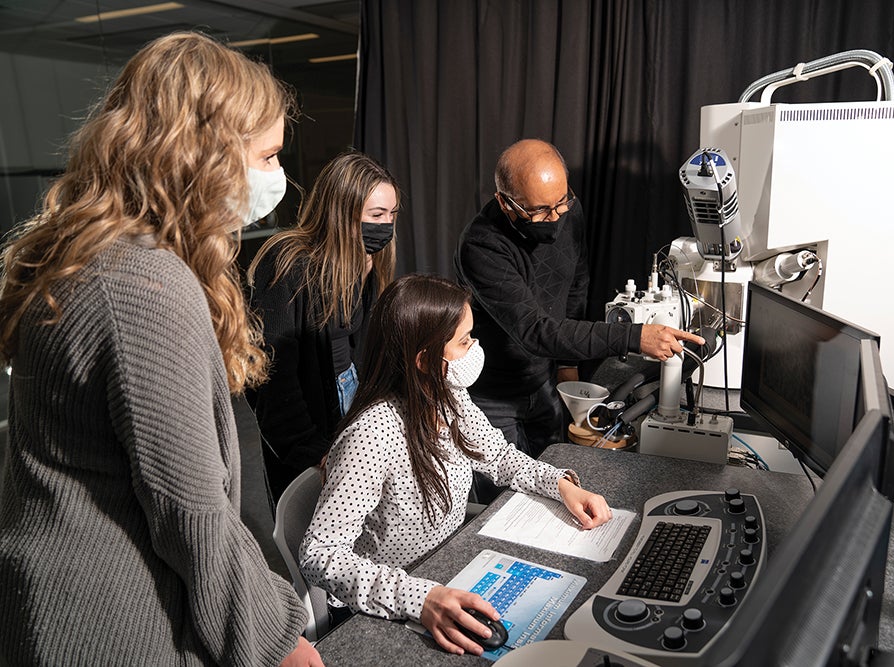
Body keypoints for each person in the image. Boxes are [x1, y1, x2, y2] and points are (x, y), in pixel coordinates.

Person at [0, 32, 322, 666]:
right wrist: (277, 641)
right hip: (113, 628)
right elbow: (191, 512)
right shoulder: (141, 285)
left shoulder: (94, 256)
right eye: (266, 158)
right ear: (203, 156)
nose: (277, 180)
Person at [299, 274, 612, 656]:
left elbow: (497, 455)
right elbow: (320, 553)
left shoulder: (448, 397)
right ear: (425, 359)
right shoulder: (372, 434)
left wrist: (561, 484)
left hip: (447, 571)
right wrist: (420, 598)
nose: (475, 348)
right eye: (464, 341)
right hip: (389, 604)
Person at [455, 139, 704, 460]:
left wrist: (567, 365)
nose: (557, 218)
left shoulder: (568, 210)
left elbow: (575, 283)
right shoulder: (481, 247)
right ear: (505, 203)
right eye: (541, 210)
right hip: (493, 398)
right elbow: (535, 331)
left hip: (544, 385)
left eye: (561, 202)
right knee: (505, 500)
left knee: (556, 476)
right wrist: (633, 336)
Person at [247, 151, 398, 506]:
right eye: (376, 215)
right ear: (341, 213)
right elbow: (270, 373)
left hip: (353, 394)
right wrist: (308, 452)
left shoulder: (370, 258)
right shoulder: (287, 262)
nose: (387, 226)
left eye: (392, 215)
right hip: (309, 411)